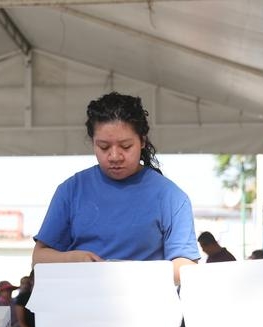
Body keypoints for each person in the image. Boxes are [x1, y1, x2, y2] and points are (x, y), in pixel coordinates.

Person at [32, 92, 199, 283]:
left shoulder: (171, 196)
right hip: (79, 304)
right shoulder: (72, 190)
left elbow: (186, 266)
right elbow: (39, 258)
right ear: (92, 142)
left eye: (126, 146)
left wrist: (128, 273)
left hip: (146, 305)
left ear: (142, 141)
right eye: (103, 147)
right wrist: (72, 259)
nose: (114, 156)